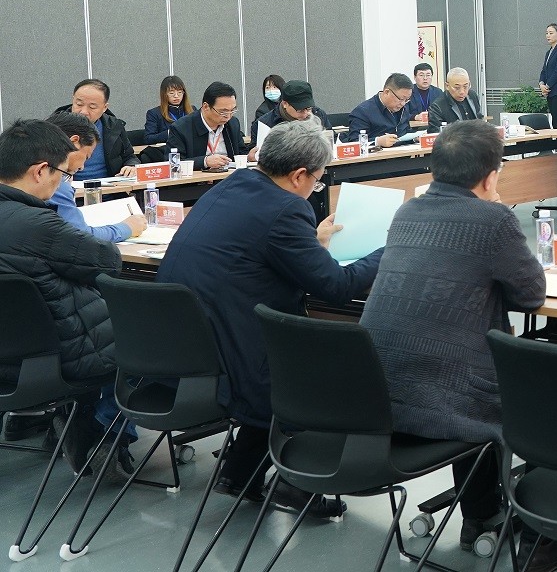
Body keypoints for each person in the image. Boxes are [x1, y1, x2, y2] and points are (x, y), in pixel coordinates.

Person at [360, 121, 557, 570]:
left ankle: (482, 514)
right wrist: (496, 213)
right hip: (444, 403)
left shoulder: (407, 212)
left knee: (465, 364)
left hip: (376, 402)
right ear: (490, 177)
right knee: (545, 393)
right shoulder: (493, 219)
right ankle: (545, 537)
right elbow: (532, 294)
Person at [158, 121, 380, 518]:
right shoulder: (286, 208)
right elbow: (335, 287)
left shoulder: (232, 184)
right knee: (323, 363)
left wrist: (310, 243)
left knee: (283, 350)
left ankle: (239, 474)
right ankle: (298, 484)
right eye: (317, 179)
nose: (316, 186)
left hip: (188, 343)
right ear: (298, 175)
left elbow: (257, 249)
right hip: (233, 353)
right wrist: (389, 249)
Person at [0, 119, 123, 472]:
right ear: (40, 171)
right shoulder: (39, 225)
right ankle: (100, 436)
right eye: (64, 174)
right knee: (152, 337)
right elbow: (108, 261)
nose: (63, 183)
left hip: (15, 355)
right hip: (60, 357)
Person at [44, 112, 146, 242]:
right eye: (86, 157)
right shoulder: (54, 181)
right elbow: (82, 237)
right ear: (74, 142)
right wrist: (127, 227)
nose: (82, 167)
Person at [58, 78, 138, 181]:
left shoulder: (114, 126)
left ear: (105, 107)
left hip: (110, 186)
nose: (84, 111)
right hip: (68, 187)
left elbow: (129, 156)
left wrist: (131, 166)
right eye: (79, 104)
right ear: (73, 100)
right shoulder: (55, 126)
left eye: (92, 107)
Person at [168, 81, 247, 172]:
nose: (228, 116)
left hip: (230, 177)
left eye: (232, 110)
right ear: (206, 107)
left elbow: (241, 152)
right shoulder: (181, 128)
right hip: (198, 179)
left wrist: (249, 156)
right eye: (223, 112)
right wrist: (204, 161)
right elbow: (173, 164)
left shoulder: (233, 123)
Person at [348, 73, 414, 148]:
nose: (403, 103)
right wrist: (377, 141)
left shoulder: (403, 109)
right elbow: (354, 142)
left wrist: (414, 138)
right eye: (401, 99)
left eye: (406, 100)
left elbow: (406, 132)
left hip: (403, 152)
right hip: (377, 154)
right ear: (387, 92)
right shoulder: (362, 112)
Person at [255, 79, 331, 144]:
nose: (305, 114)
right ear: (285, 104)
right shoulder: (265, 124)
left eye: (308, 108)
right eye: (300, 110)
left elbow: (330, 140)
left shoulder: (319, 115)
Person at [143, 75, 192, 145]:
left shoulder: (192, 110)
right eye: (171, 93)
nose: (176, 96)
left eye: (180, 92)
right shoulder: (154, 113)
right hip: (168, 149)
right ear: (164, 94)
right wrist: (170, 133)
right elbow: (148, 139)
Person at [403, 62, 440, 131]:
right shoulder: (408, 92)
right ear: (415, 77)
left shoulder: (438, 92)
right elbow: (402, 113)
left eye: (428, 75)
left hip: (434, 127)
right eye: (421, 75)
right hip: (413, 129)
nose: (425, 78)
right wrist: (415, 117)